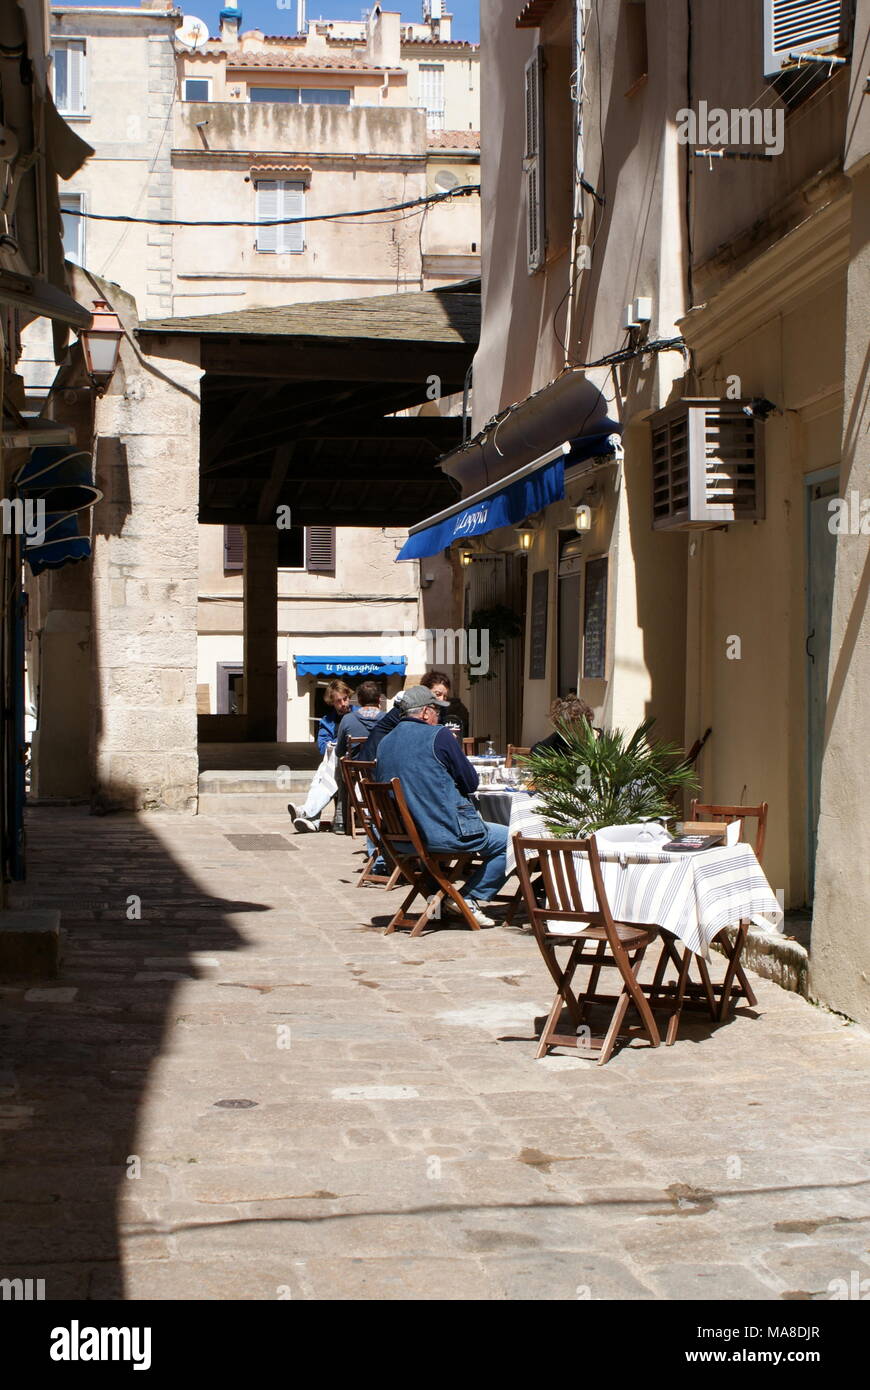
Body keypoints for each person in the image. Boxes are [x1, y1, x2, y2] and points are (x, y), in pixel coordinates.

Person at [375, 684, 508, 927]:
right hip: (442, 832)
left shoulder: (385, 742)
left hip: (400, 839)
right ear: (426, 712)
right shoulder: (439, 735)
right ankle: (468, 898)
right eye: (437, 711)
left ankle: (444, 899)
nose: (440, 717)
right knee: (512, 840)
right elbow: (470, 782)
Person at [288, 679, 355, 833]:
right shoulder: (327, 720)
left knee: (323, 775)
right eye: (338, 701)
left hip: (352, 763)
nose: (343, 704)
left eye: (345, 699)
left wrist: (338, 743)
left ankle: (306, 812)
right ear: (332, 702)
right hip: (335, 762)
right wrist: (333, 745)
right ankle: (312, 822)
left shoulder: (357, 715)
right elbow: (321, 745)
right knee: (320, 778)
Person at [531, 695, 598, 756]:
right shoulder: (559, 737)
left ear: (583, 723)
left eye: (570, 728)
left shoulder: (601, 743)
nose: (566, 734)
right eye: (562, 729)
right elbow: (536, 750)